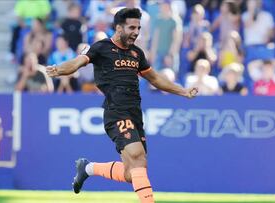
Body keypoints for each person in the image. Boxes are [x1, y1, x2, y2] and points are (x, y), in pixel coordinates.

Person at [46, 8, 198, 203]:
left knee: (132, 172)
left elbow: (155, 79)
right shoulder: (101, 47)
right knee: (137, 154)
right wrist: (60, 69)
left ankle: (88, 168)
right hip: (115, 110)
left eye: (139, 27)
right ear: (118, 28)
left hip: (134, 113)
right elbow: (78, 62)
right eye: (132, 27)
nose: (136, 31)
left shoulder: (137, 53)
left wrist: (183, 91)